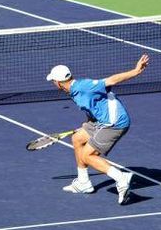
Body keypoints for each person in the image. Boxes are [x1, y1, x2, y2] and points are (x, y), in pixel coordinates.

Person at [46, 54, 149, 204]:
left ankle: (121, 178)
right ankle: (83, 183)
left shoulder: (84, 86)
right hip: (100, 121)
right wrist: (87, 123)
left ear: (58, 82)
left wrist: (136, 71)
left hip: (114, 123)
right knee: (77, 138)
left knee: (88, 155)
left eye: (53, 81)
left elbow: (111, 80)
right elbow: (93, 106)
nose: (53, 83)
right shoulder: (73, 91)